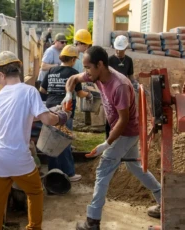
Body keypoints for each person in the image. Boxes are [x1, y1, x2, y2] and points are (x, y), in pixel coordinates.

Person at [64, 46, 161, 230]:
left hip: (126, 133)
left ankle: (92, 221)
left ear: (100, 65)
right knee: (136, 167)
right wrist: (69, 95)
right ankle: (163, 200)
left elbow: (123, 121)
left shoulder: (120, 86)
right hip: (125, 132)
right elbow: (73, 78)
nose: (85, 72)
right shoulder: (96, 75)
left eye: (88, 67)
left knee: (103, 171)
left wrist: (105, 144)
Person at [0, 51, 71, 230]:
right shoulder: (29, 91)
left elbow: (21, 116)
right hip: (18, 157)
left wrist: (46, 113)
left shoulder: (1, 95)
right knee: (35, 192)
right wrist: (60, 117)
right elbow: (46, 120)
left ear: (1, 74)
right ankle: (33, 227)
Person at [39, 45, 92, 182]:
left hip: (50, 109)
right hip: (65, 111)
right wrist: (89, 94)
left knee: (52, 142)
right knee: (64, 142)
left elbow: (42, 90)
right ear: (73, 59)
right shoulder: (73, 73)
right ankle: (69, 172)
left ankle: (53, 171)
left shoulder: (51, 70)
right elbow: (80, 93)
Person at [106, 35, 135, 138]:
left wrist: (135, 84)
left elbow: (130, 76)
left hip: (123, 91)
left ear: (126, 48)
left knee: (123, 114)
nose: (118, 52)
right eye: (117, 49)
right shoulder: (109, 60)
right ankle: (109, 138)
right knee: (111, 115)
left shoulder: (129, 60)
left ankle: (121, 137)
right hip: (111, 91)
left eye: (121, 49)